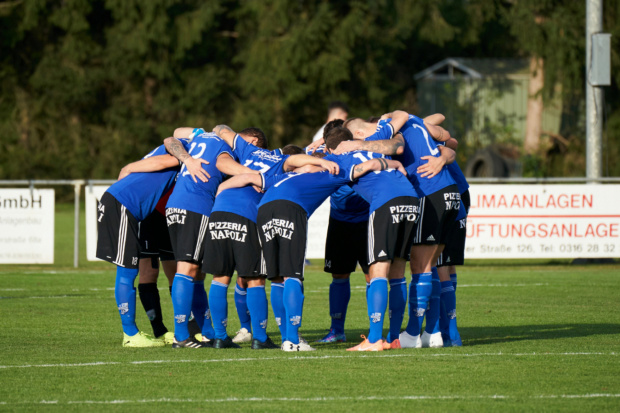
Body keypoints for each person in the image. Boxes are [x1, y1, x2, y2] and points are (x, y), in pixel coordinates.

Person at [336, 112, 459, 349]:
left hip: (427, 190)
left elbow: (400, 140)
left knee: (413, 266)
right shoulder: (405, 127)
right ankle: (434, 333)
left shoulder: (384, 130)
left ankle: (410, 334)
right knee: (431, 266)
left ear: (359, 134)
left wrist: (360, 142)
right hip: (447, 192)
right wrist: (443, 154)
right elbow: (447, 137)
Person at [324, 125, 419, 351]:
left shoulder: (338, 160)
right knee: (397, 271)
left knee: (378, 271)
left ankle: (375, 339)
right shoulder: (373, 150)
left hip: (384, 203)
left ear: (331, 148)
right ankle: (394, 338)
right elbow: (383, 160)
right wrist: (394, 163)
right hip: (410, 200)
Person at [96, 138, 194, 347]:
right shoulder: (180, 154)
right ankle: (130, 334)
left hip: (129, 207)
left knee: (132, 271)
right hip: (125, 206)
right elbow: (162, 160)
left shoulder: (168, 151)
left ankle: (145, 333)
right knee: (128, 272)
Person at [163, 129, 255, 349]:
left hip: (174, 205)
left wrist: (187, 159)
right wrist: (255, 174)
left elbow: (171, 136)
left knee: (196, 273)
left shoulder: (200, 136)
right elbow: (224, 164)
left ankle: (207, 332)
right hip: (196, 206)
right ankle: (181, 336)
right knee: (187, 269)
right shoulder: (224, 149)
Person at [315, 119, 370, 344]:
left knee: (372, 277)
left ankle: (377, 331)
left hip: (367, 222)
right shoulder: (326, 158)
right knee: (340, 276)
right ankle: (337, 330)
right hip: (340, 222)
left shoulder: (361, 153)